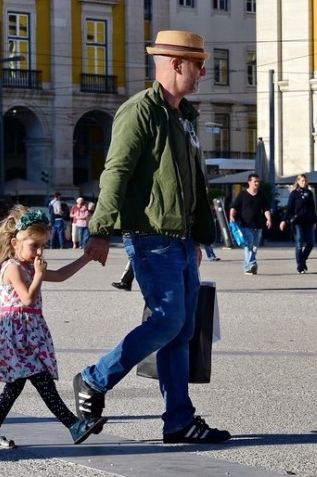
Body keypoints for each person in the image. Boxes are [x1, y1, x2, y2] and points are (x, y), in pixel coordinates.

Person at [76, 30, 230, 444]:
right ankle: (94, 379)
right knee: (167, 322)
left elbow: (191, 183)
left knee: (181, 332)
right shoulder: (139, 111)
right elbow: (116, 172)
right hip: (151, 238)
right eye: (198, 65)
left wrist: (197, 237)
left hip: (181, 239)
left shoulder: (183, 117)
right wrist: (100, 230)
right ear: (176, 64)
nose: (203, 72)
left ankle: (179, 421)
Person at [0, 206, 107, 448]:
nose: (39, 252)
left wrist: (86, 258)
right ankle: (74, 425)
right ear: (15, 243)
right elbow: (27, 299)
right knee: (42, 380)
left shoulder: (29, 266)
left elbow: (60, 275)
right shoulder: (13, 267)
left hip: (30, 333)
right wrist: (38, 275)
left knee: (15, 387)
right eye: (34, 246)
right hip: (16, 334)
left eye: (43, 246)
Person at [230, 172, 272, 274]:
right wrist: (231, 216)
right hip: (245, 225)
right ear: (249, 182)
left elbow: (266, 209)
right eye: (255, 181)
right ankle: (252, 264)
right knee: (249, 246)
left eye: (258, 181)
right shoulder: (242, 194)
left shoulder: (261, 194)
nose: (257, 183)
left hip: (258, 225)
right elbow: (234, 207)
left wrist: (269, 219)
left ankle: (248, 267)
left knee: (254, 247)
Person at [280, 174, 316, 274]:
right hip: (297, 221)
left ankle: (302, 259)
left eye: (305, 181)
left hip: (308, 221)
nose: (304, 182)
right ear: (298, 182)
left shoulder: (309, 193)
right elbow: (289, 208)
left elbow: (312, 208)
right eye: (302, 181)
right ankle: (300, 266)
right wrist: (284, 220)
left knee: (311, 243)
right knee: (299, 242)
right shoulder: (294, 194)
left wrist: (314, 221)